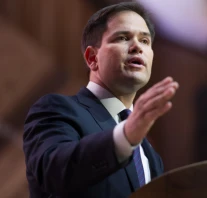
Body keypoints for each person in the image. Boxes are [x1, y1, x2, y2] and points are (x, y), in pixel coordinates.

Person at [23, 2, 179, 198]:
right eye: (123, 38)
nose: (137, 47)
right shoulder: (57, 109)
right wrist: (125, 136)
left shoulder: (151, 157)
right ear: (92, 58)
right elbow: (52, 173)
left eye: (145, 41)